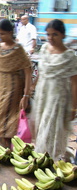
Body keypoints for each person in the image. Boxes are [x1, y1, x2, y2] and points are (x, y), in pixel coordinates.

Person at [0, 19, 32, 148]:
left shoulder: (18, 49)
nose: (0, 36)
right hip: (1, 88)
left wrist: (25, 96)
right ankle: (5, 146)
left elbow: (27, 72)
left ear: (10, 32)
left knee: (11, 119)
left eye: (3, 34)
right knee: (1, 116)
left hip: (15, 88)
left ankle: (10, 146)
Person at [32, 19, 77, 161]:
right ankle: (43, 156)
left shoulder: (69, 56)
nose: (50, 38)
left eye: (55, 34)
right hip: (43, 95)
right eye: (48, 34)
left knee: (52, 130)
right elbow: (41, 71)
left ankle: (51, 159)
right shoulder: (44, 49)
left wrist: (74, 108)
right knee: (41, 127)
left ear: (63, 35)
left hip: (58, 98)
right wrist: (34, 85)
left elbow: (75, 83)